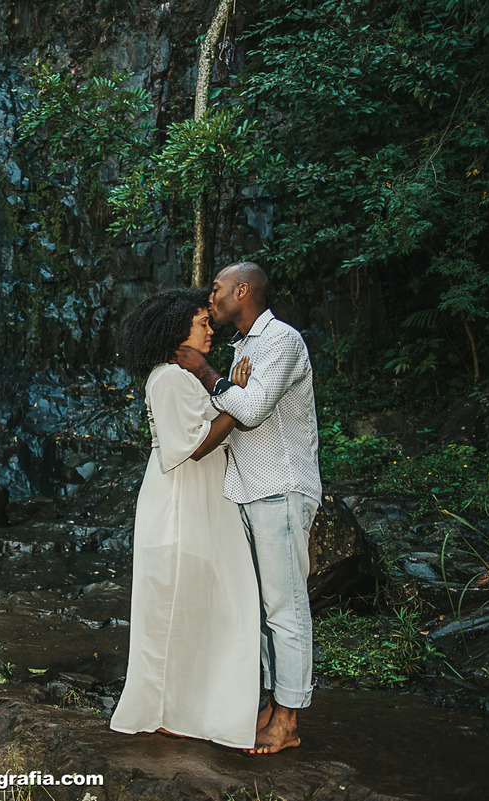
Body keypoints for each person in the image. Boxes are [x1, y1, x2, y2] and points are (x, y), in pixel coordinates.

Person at [176, 261, 322, 755]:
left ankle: (289, 719)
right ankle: (273, 705)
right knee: (262, 610)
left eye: (217, 288)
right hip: (248, 491)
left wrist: (210, 376)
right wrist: (227, 386)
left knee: (286, 608)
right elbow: (231, 412)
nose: (210, 296)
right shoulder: (242, 348)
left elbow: (253, 410)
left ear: (243, 290)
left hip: (279, 488)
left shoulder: (281, 339)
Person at [109, 288, 260, 750]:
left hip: (197, 500)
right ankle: (165, 712)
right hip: (179, 505)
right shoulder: (170, 379)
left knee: (195, 607)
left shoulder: (181, 376)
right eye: (201, 323)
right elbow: (192, 447)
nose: (210, 329)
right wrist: (239, 401)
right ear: (177, 333)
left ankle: (185, 709)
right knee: (176, 608)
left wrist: (223, 393)